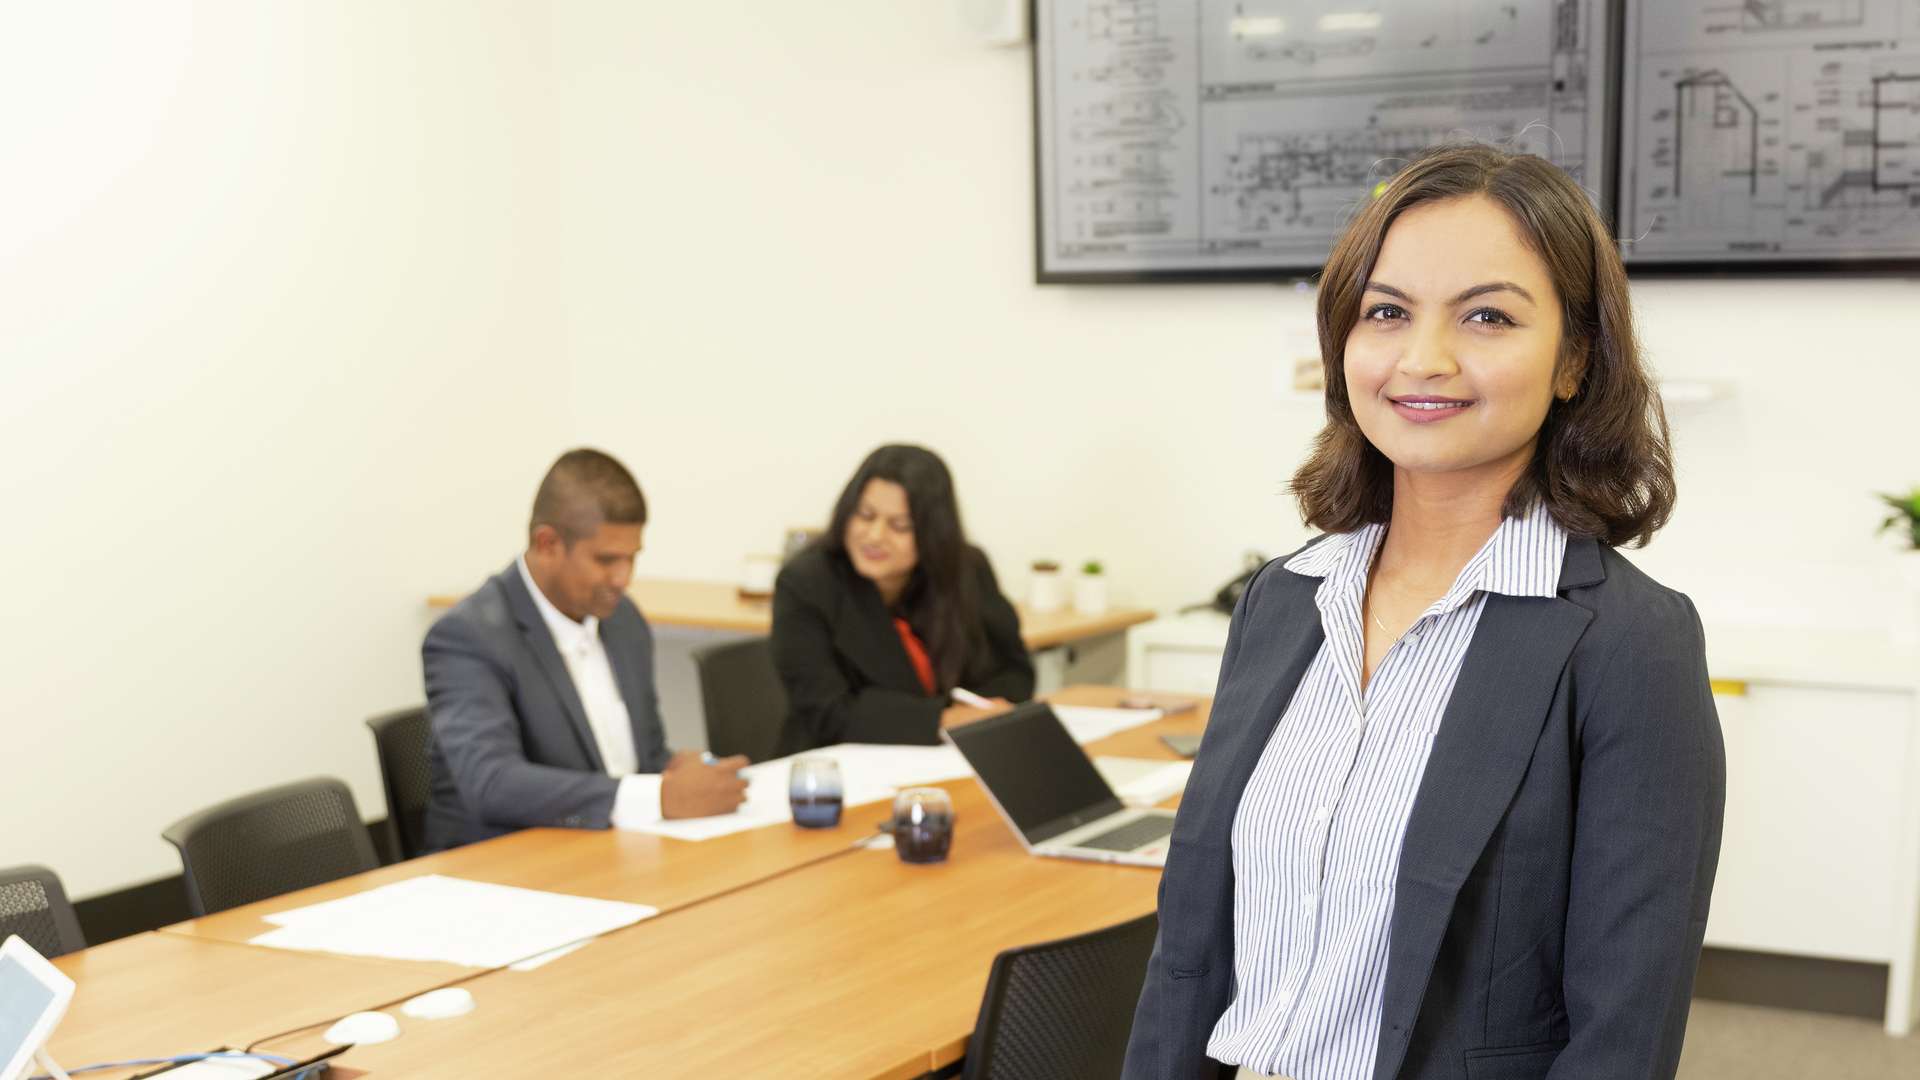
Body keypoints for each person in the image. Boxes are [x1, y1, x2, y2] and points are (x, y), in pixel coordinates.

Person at [1124, 145, 1726, 1080]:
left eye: (1487, 316)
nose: (1424, 359)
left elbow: (1625, 1034)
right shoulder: (1286, 600)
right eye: (1388, 312)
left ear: (1573, 359)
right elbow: (1189, 951)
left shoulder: (1630, 644)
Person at [421, 448, 747, 852]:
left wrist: (675, 770)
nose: (623, 578)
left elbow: (639, 758)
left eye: (632, 558)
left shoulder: (624, 621)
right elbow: (492, 783)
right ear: (547, 544)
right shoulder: (468, 637)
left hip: (611, 854)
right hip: (501, 873)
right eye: (607, 560)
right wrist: (659, 797)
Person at [771, 444, 1034, 753]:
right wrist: (947, 718)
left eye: (900, 525)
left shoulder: (967, 569)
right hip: (836, 767)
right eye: (865, 515)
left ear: (934, 533)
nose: (875, 536)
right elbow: (830, 713)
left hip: (952, 757)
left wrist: (982, 711)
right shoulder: (806, 582)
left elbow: (1014, 674)